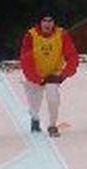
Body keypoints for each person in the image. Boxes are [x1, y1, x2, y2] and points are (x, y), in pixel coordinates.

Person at [19, 9, 79, 137]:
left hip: (53, 74)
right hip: (35, 75)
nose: (47, 24)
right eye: (44, 21)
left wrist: (63, 74)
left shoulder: (62, 34)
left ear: (54, 23)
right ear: (39, 23)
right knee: (34, 103)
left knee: (53, 99)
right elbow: (26, 59)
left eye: (50, 21)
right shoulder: (31, 35)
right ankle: (35, 119)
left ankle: (52, 125)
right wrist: (36, 78)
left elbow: (72, 55)